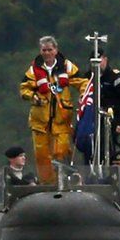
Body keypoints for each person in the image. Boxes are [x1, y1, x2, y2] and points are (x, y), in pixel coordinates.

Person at [19, 36, 84, 183]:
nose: (47, 53)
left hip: (62, 117)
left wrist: (83, 96)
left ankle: (63, 180)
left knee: (61, 151)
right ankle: (47, 183)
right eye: (44, 50)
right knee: (42, 155)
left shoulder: (67, 66)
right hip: (40, 119)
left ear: (56, 50)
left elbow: (82, 82)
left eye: (50, 50)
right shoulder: (33, 70)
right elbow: (24, 90)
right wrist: (34, 96)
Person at [75, 53, 120, 168]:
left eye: (99, 60)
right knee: (89, 150)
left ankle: (106, 175)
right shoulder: (88, 78)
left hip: (109, 121)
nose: (96, 64)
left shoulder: (115, 76)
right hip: (91, 120)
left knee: (107, 151)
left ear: (105, 59)